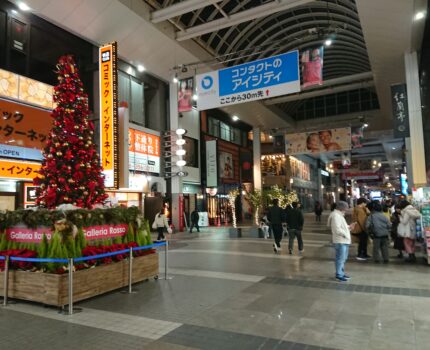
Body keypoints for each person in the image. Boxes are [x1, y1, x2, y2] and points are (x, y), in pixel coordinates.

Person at [330, 201, 353, 282]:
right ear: (341, 208)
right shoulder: (336, 215)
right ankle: (339, 274)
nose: (346, 210)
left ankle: (341, 273)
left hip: (343, 240)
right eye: (346, 208)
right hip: (340, 240)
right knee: (340, 258)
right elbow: (337, 229)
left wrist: (349, 227)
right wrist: (345, 234)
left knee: (343, 258)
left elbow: (342, 226)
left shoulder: (339, 215)